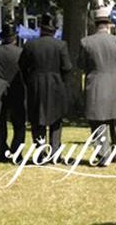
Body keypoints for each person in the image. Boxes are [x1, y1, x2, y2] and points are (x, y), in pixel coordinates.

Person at [78, 8, 116, 166]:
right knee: (115, 120)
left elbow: (80, 64)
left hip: (95, 84)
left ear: (95, 24)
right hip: (114, 84)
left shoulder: (86, 42)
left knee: (97, 121)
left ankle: (103, 155)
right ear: (108, 24)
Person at [19, 13, 72, 154]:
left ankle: (41, 152)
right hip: (56, 84)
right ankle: (55, 151)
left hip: (35, 84)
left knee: (37, 119)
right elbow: (67, 67)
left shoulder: (30, 45)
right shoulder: (61, 45)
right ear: (53, 30)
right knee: (56, 120)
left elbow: (22, 66)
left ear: (41, 29)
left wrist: (29, 80)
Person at [0, 22, 26, 161]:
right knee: (19, 123)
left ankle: (2, 152)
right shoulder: (20, 52)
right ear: (15, 38)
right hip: (16, 89)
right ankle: (16, 151)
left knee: (0, 124)